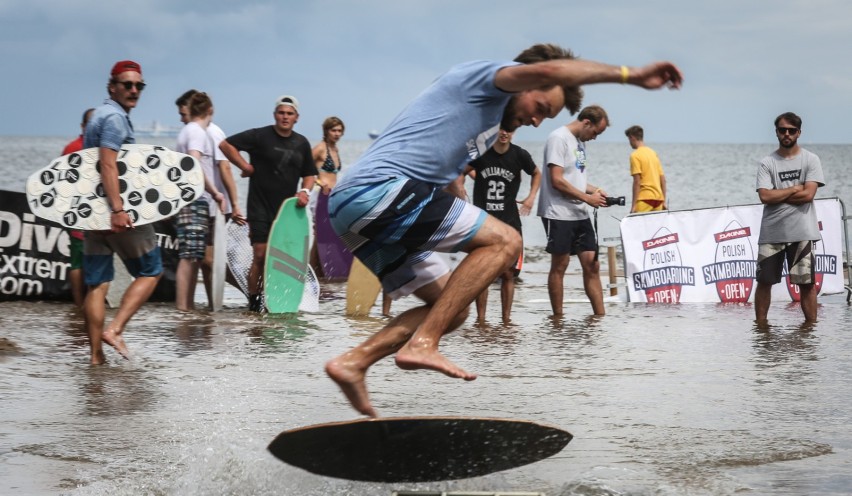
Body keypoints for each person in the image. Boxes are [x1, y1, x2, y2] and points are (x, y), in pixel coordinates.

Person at [324, 43, 683, 417]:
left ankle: (355, 362)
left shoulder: (483, 122)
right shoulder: (484, 80)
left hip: (356, 217)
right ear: (527, 82)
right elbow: (551, 72)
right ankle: (422, 344)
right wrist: (631, 76)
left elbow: (444, 179)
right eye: (541, 109)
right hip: (377, 192)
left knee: (452, 308)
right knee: (508, 241)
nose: (537, 122)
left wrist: (466, 218)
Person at [82, 60, 162, 364]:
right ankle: (114, 330)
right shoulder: (115, 118)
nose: (133, 90)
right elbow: (107, 163)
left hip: (91, 214)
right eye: (126, 84)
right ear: (111, 86)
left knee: (98, 283)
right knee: (151, 270)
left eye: (138, 85)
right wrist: (117, 208)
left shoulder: (98, 116)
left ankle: (95, 356)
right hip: (116, 211)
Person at [218, 95, 317, 312]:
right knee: (261, 256)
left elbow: (310, 174)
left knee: (282, 258)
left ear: (296, 118)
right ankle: (254, 303)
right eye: (281, 112)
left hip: (286, 213)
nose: (285, 117)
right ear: (275, 115)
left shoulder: (301, 143)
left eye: (289, 114)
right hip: (259, 207)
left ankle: (278, 299)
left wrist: (304, 191)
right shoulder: (260, 136)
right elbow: (226, 145)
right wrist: (245, 166)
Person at [538, 105, 614, 317]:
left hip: (580, 213)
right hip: (558, 212)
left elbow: (575, 179)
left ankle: (600, 318)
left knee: (593, 265)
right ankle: (558, 319)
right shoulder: (558, 138)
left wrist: (595, 190)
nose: (595, 138)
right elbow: (557, 180)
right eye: (596, 133)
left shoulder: (580, 142)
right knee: (560, 265)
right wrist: (588, 198)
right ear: (586, 122)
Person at [460, 126, 540, 322]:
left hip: (510, 220)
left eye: (509, 131)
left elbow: (537, 173)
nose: (505, 133)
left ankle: (506, 319)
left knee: (508, 274)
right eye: (502, 130)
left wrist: (530, 198)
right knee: (482, 275)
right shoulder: (482, 154)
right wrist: (459, 192)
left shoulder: (520, 154)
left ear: (514, 132)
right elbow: (458, 172)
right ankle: (481, 319)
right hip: (484, 221)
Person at [175, 89, 245, 307]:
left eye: (183, 112)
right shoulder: (195, 131)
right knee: (203, 259)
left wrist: (232, 202)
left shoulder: (210, 132)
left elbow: (224, 167)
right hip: (202, 201)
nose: (181, 117)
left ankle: (240, 295)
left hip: (211, 204)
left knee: (207, 260)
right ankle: (211, 304)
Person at [754, 112, 825, 324]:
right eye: (782, 130)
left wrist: (779, 194)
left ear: (799, 133)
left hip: (802, 232)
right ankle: (761, 329)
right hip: (771, 233)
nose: (787, 134)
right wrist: (795, 188)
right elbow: (765, 196)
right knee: (764, 281)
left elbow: (809, 194)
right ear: (776, 132)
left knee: (806, 284)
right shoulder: (767, 163)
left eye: (792, 130)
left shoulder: (811, 159)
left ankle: (810, 331)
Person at [173, 92, 226, 311]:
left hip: (190, 199)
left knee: (193, 255)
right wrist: (215, 192)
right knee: (190, 257)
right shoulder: (196, 132)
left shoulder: (188, 130)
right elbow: (193, 165)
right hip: (194, 199)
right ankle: (183, 307)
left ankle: (188, 306)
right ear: (210, 111)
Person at [62, 107, 95, 307]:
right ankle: (80, 304)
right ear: (83, 126)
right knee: (78, 260)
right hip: (78, 212)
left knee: (83, 259)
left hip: (86, 212)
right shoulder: (77, 147)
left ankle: (84, 303)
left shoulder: (77, 146)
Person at [624, 125, 667, 213]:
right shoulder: (653, 153)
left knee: (637, 226)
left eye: (629, 139)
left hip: (644, 199)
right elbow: (662, 179)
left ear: (632, 137)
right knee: (655, 227)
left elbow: (637, 181)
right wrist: (664, 201)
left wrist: (633, 205)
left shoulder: (635, 155)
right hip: (658, 200)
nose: (629, 143)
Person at [312, 116, 345, 194]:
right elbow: (304, 169)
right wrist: (319, 182)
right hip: (320, 192)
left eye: (339, 131)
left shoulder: (336, 149)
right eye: (333, 130)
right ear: (326, 131)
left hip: (333, 193)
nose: (337, 134)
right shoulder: (320, 148)